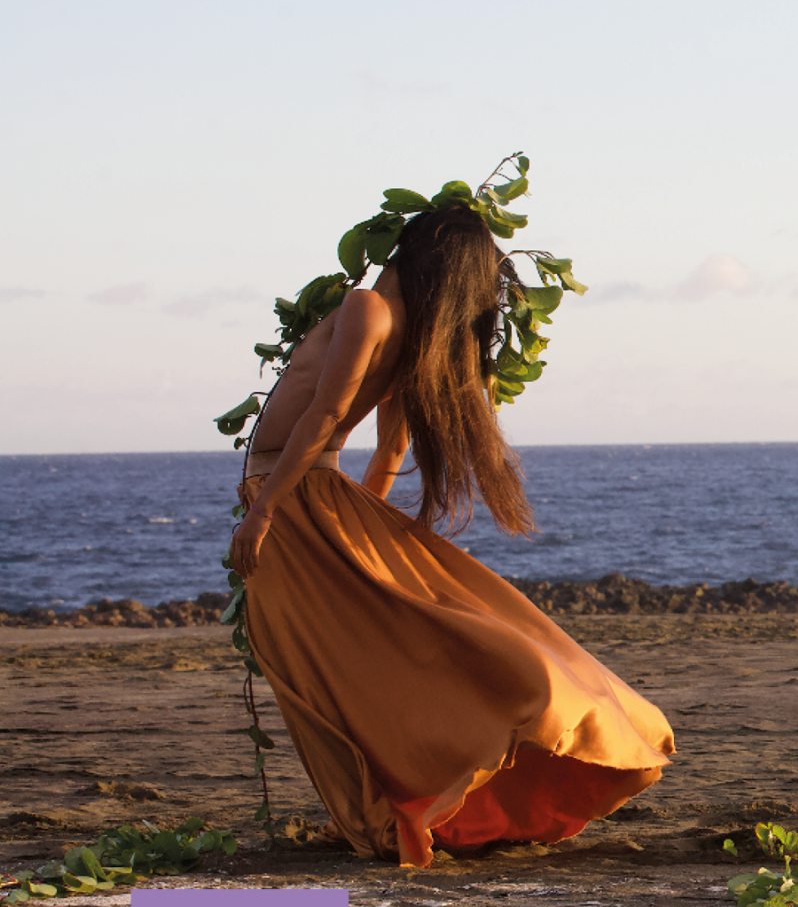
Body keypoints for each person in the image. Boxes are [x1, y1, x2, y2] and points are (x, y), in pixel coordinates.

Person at [227, 205, 673, 867]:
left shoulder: (365, 309)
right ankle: (402, 795)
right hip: (319, 504)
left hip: (290, 497)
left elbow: (323, 415)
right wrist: (351, 542)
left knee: (320, 672)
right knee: (344, 664)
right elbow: (388, 450)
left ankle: (402, 798)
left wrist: (266, 509)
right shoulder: (412, 333)